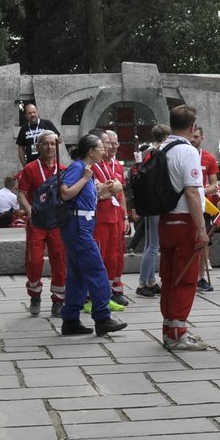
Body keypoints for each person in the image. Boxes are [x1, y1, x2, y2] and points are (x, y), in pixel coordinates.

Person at [56, 133, 128, 338]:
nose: (103, 151)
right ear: (90, 151)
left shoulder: (85, 169)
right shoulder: (79, 168)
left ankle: (70, 320)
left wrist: (100, 188)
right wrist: (86, 179)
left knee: (77, 274)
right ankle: (102, 317)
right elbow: (65, 192)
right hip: (78, 226)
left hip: (81, 224)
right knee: (97, 269)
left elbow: (84, 196)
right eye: (100, 148)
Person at [156, 105, 209, 351]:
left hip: (166, 219)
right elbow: (191, 191)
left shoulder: (162, 148)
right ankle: (179, 332)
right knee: (186, 277)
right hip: (185, 221)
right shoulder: (188, 152)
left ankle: (169, 327)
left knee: (169, 276)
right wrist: (201, 228)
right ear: (192, 126)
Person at [16, 131, 67, 317]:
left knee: (59, 262)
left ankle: (58, 299)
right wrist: (29, 211)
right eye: (45, 143)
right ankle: (35, 295)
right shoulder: (30, 168)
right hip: (37, 223)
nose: (49, 147)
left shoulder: (62, 169)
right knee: (35, 261)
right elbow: (21, 193)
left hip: (57, 223)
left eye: (53, 144)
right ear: (38, 146)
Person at [90, 129, 130, 309]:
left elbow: (118, 191)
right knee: (100, 256)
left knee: (114, 256)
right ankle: (93, 297)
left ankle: (108, 293)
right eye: (105, 143)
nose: (109, 146)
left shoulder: (110, 165)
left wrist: (125, 215)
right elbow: (100, 192)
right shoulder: (92, 166)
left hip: (115, 216)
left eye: (111, 142)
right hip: (100, 217)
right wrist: (110, 189)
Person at [133, 125, 170, 298]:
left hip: (146, 202)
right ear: (166, 137)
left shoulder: (146, 152)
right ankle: (142, 284)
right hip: (155, 202)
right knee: (153, 246)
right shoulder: (159, 154)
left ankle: (150, 281)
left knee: (150, 243)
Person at [190, 125, 219, 292]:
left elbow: (214, 185)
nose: (193, 140)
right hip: (184, 205)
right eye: (191, 136)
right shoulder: (184, 154)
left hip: (202, 205)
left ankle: (201, 277)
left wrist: (200, 192)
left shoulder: (208, 158)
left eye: (196, 137)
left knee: (203, 241)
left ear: (202, 138)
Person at [15, 102, 60, 167]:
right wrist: (24, 165)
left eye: (34, 112)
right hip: (31, 164)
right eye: (29, 113)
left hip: (48, 163)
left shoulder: (47, 123)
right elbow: (21, 148)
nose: (32, 114)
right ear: (26, 115)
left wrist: (55, 159)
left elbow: (58, 140)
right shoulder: (24, 128)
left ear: (37, 112)